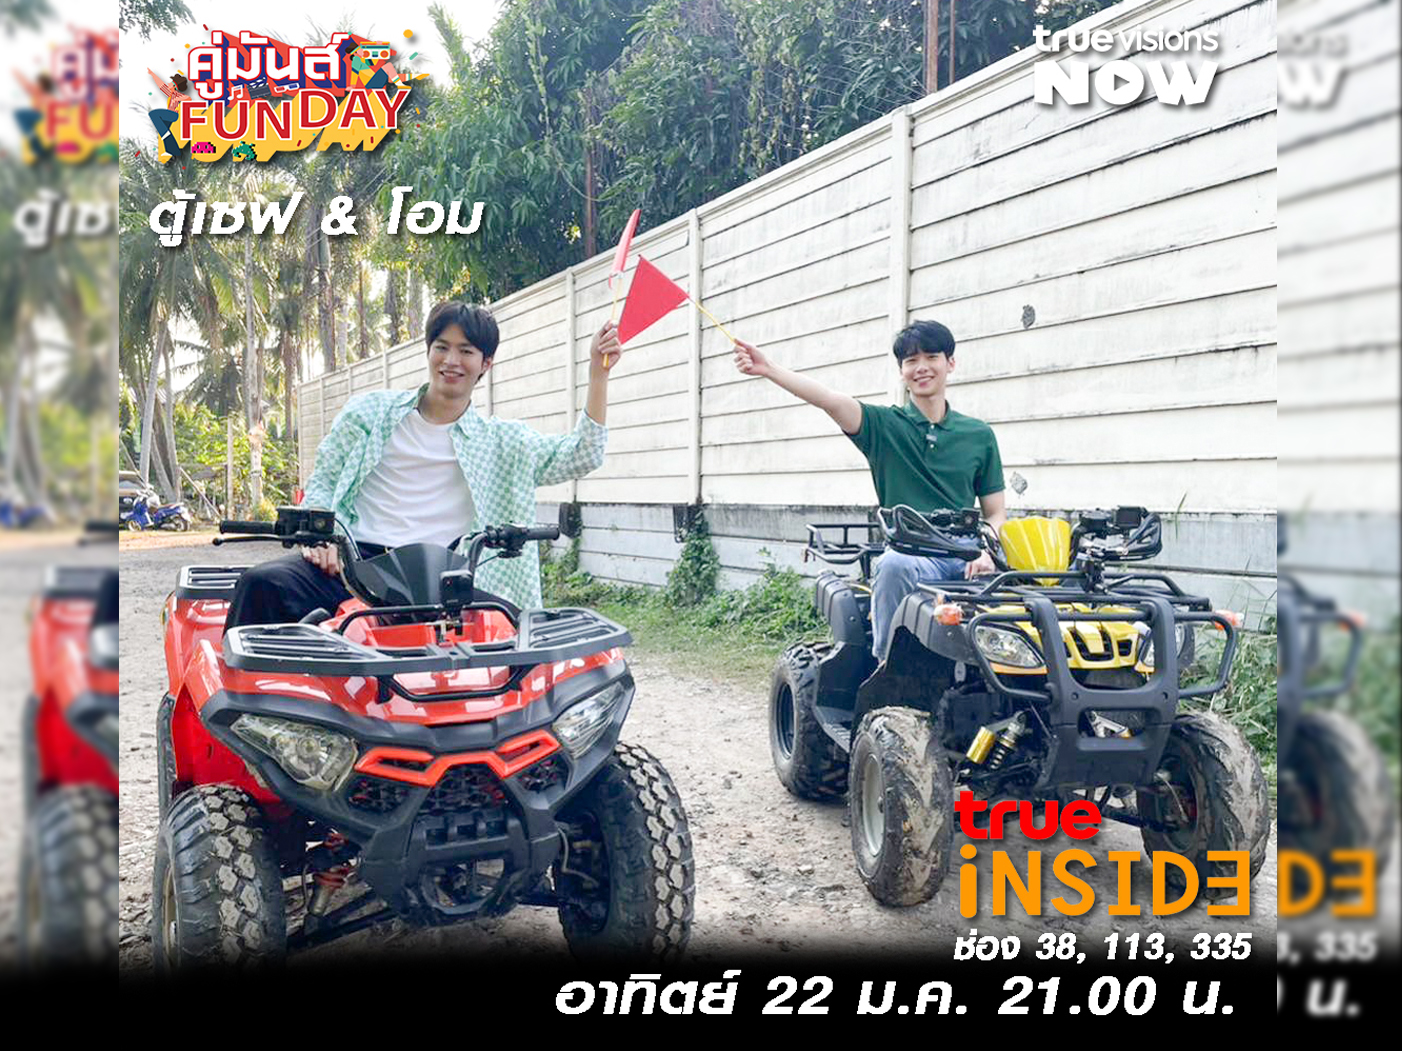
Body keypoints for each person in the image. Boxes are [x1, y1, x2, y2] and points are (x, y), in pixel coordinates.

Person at [224, 302, 622, 630]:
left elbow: (581, 454)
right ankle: (243, 701)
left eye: (466, 351)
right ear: (429, 351)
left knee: (511, 633)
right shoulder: (369, 414)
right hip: (356, 564)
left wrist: (598, 373)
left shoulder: (502, 442)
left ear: (486, 363)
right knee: (262, 584)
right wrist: (320, 538)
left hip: (443, 579)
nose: (452, 360)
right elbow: (325, 482)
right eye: (442, 347)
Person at [733, 320, 1006, 661]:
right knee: (893, 566)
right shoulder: (882, 425)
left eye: (931, 357)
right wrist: (769, 368)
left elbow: (995, 512)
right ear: (902, 372)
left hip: (967, 553)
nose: (921, 367)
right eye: (911, 361)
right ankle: (887, 666)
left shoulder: (978, 435)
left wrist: (986, 552)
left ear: (950, 363)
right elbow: (828, 399)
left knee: (1022, 594)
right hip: (911, 552)